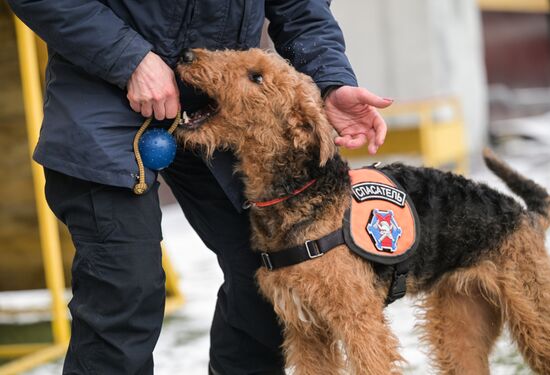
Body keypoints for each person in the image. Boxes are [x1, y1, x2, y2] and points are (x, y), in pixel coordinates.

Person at [7, 1, 392, 374]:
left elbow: (301, 6)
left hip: (219, 103)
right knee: (125, 289)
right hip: (103, 91)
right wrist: (129, 58)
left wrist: (330, 79)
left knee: (270, 274)